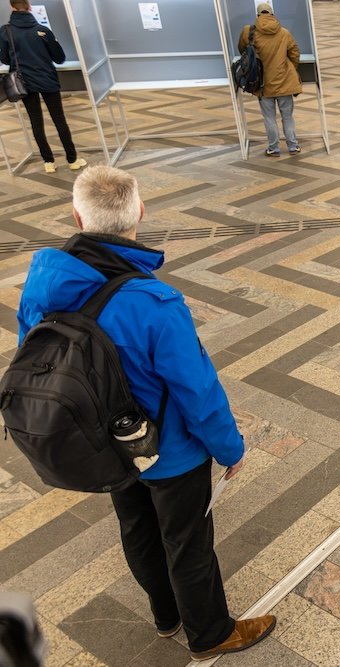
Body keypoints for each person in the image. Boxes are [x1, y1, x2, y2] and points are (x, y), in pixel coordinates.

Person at [15, 166, 275, 661]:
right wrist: (230, 448)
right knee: (187, 542)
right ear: (139, 212)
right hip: (169, 453)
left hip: (100, 446)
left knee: (135, 526)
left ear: (77, 215)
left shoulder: (42, 281)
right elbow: (196, 390)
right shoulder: (155, 302)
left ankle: (166, 616)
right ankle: (211, 633)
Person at [0, 0, 86, 174]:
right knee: (59, 120)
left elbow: (5, 60)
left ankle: (48, 162)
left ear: (12, 7)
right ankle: (73, 160)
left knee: (36, 122)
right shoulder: (43, 31)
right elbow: (59, 58)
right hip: (48, 80)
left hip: (24, 83)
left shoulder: (5, 31)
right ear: (29, 7)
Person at [239, 4, 301, 157]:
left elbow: (242, 50)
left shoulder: (249, 32)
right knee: (287, 116)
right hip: (284, 81)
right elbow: (294, 53)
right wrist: (290, 68)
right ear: (272, 14)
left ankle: (274, 148)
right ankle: (293, 146)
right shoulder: (284, 32)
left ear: (258, 14)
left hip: (262, 83)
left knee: (269, 117)